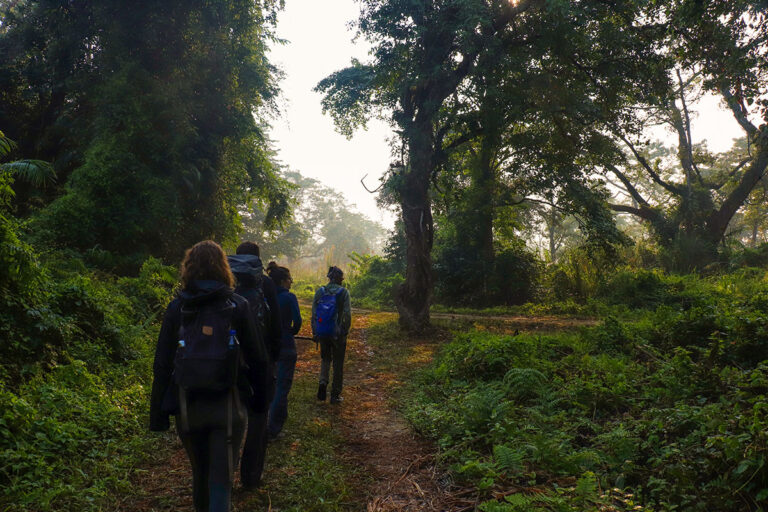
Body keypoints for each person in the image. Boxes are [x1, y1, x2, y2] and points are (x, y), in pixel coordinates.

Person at [149, 240, 271, 512]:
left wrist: (157, 414)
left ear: (188, 268)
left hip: (187, 407)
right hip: (228, 406)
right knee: (221, 480)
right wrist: (260, 404)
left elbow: (161, 363)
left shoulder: (177, 307)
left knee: (200, 475)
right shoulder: (237, 305)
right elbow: (259, 359)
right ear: (224, 269)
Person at [227, 242, 281, 489]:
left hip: (228, 360)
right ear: (259, 259)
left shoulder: (226, 281)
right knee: (259, 418)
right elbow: (276, 325)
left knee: (229, 416)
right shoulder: (266, 283)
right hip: (261, 360)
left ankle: (226, 471)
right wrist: (273, 357)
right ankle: (251, 476)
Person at [266, 261, 302, 438]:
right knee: (282, 387)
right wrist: (289, 332)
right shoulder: (289, 297)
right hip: (286, 346)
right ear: (282, 281)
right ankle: (272, 428)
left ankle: (274, 422)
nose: (291, 282)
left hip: (268, 347)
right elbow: (298, 322)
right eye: (289, 279)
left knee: (271, 385)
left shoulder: (265, 297)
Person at [312, 266, 351, 404]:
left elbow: (314, 314)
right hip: (337, 334)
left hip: (323, 332)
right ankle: (335, 395)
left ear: (329, 278)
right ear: (340, 279)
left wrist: (315, 332)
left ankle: (322, 383)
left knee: (325, 359)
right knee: (338, 363)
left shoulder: (320, 291)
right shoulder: (344, 293)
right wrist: (344, 330)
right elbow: (347, 314)